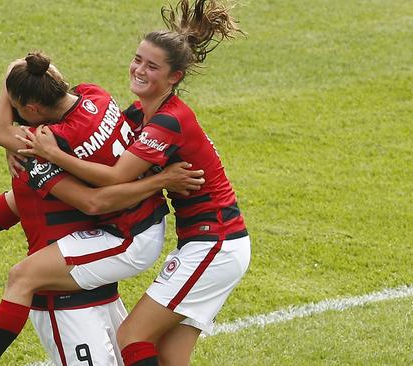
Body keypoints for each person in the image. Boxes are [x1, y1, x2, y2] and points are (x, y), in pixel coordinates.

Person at [0, 52, 204, 365]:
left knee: (22, 274)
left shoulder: (54, 139)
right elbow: (20, 69)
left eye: (20, 111)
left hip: (130, 236)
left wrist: (13, 137)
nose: (18, 120)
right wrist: (15, 141)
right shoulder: (96, 94)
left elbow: (1, 132)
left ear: (33, 108)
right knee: (33, 183)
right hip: (143, 220)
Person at [16, 1, 250, 365]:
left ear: (174, 78)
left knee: (133, 336)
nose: (139, 69)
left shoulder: (168, 122)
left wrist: (53, 155)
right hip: (211, 243)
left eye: (151, 66)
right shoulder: (143, 112)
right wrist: (20, 141)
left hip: (214, 243)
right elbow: (99, 143)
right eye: (137, 59)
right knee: (170, 355)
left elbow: (114, 176)